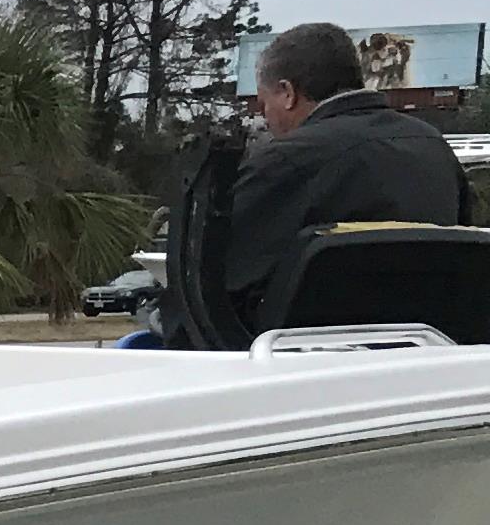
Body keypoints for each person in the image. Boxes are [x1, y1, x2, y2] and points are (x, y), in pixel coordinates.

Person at [165, 21, 470, 344]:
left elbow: (209, 291)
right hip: (432, 358)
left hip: (303, 369)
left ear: (287, 93)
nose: (265, 116)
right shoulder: (433, 148)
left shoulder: (286, 162)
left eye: (264, 101)